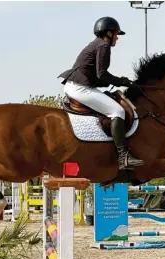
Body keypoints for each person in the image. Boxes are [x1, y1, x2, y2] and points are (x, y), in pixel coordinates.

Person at [57, 16, 144, 171]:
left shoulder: (96, 44)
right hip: (80, 88)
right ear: (109, 33)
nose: (117, 37)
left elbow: (98, 77)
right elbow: (102, 75)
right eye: (116, 34)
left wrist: (120, 82)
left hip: (78, 85)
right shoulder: (103, 46)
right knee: (117, 111)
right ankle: (123, 156)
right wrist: (122, 81)